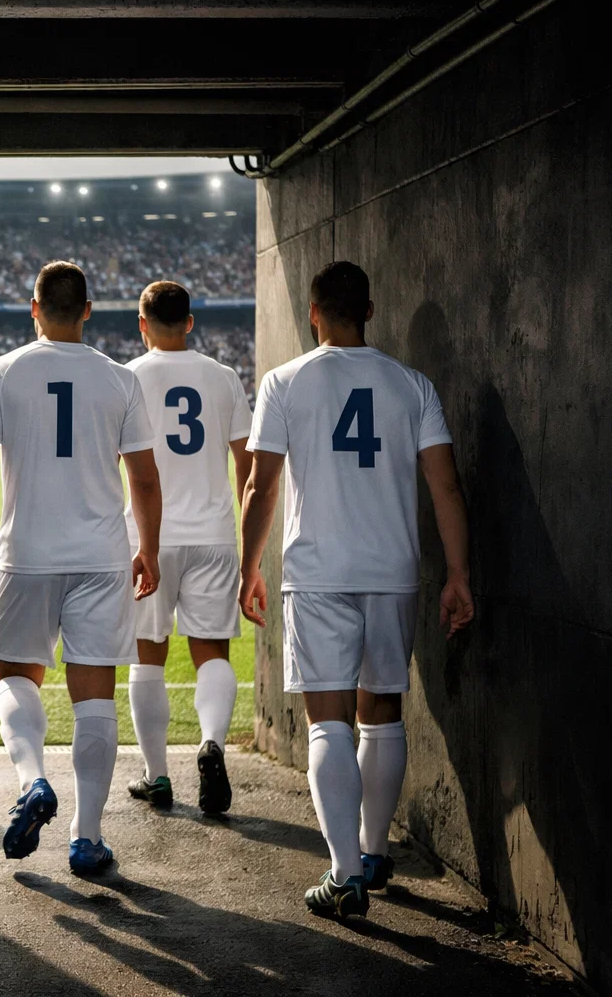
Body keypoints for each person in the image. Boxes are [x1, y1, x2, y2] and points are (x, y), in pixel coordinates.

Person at [240, 261, 473, 919]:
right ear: (369, 309)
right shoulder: (412, 385)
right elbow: (446, 486)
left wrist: (247, 565)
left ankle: (344, 876)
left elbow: (262, 487)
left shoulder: (285, 382)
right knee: (384, 711)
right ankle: (373, 853)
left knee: (329, 722)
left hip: (319, 572)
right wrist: (458, 574)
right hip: (391, 569)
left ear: (313, 313)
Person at [0, 261, 163, 876]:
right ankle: (86, 838)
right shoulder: (121, 379)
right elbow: (143, 477)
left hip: (29, 553)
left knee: (16, 676)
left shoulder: (2, 371)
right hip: (101, 557)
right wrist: (146, 546)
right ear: (88, 309)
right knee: (95, 698)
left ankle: (33, 780)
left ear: (34, 308)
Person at [121, 281, 253, 815]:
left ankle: (157, 777)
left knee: (146, 654)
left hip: (148, 536)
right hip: (214, 533)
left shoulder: (126, 377)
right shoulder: (223, 378)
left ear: (142, 323)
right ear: (191, 321)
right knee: (212, 651)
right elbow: (248, 462)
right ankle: (212, 743)